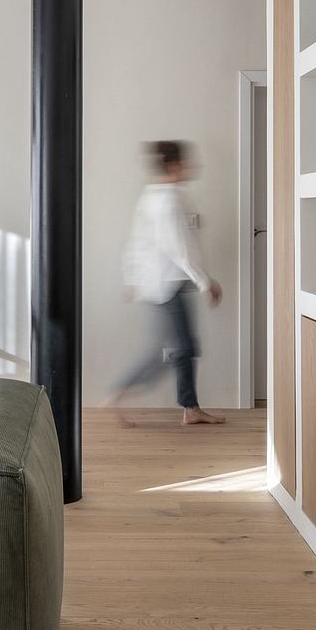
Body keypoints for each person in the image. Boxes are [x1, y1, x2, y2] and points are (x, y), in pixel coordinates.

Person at [106, 140, 226, 426]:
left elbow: (136, 241)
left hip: (161, 282)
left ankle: (190, 408)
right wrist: (204, 281)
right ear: (173, 165)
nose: (190, 167)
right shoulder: (169, 200)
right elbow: (178, 248)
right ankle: (119, 393)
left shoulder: (153, 195)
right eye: (185, 162)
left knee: (184, 346)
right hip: (167, 284)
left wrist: (132, 277)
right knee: (173, 350)